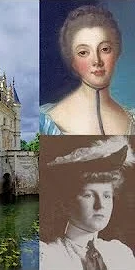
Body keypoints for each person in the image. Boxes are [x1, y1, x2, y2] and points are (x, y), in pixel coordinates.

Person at [40, 136, 135, 269]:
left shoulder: (120, 254)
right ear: (67, 202)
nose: (100, 205)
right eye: (88, 195)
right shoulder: (49, 257)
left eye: (107, 196)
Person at [40, 5, 135, 135]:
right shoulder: (45, 121)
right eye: (83, 52)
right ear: (72, 60)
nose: (97, 61)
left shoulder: (132, 119)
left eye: (105, 49)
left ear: (116, 52)